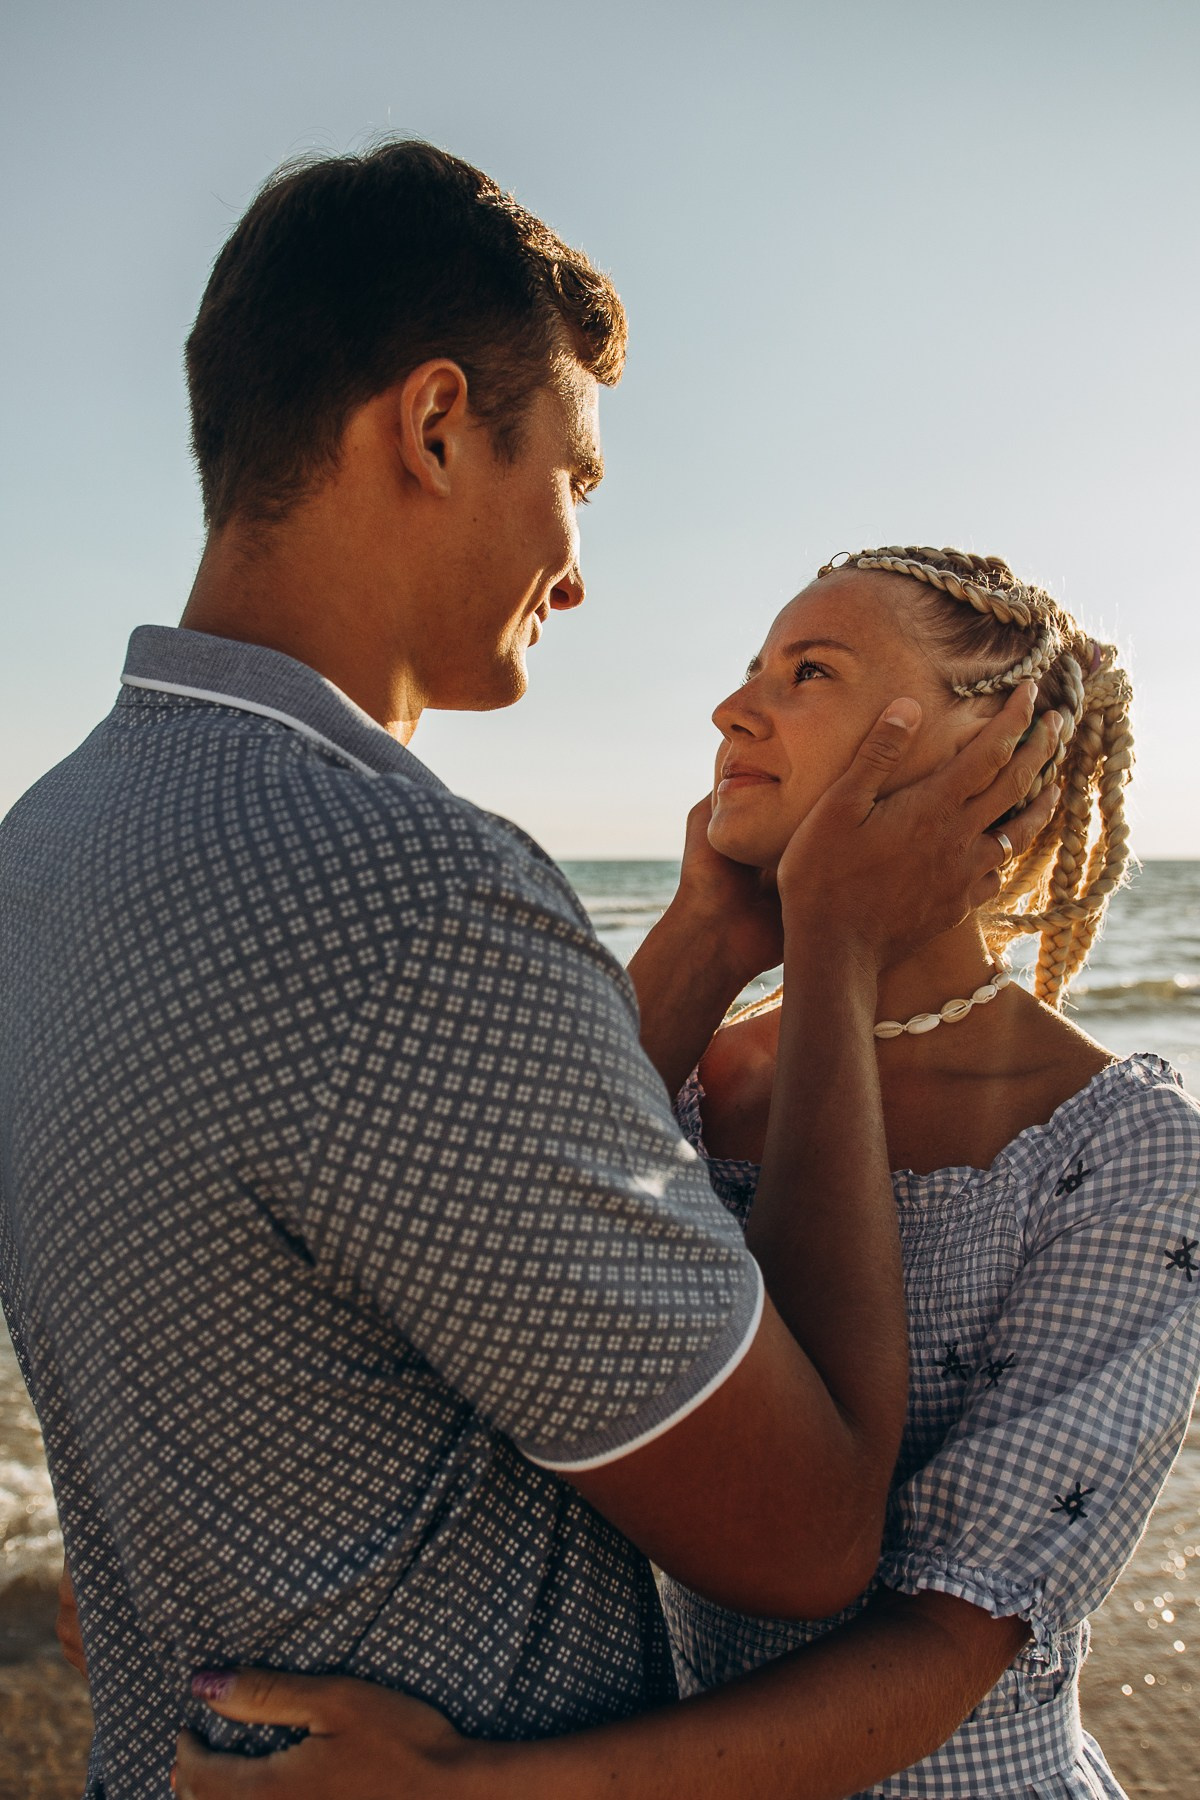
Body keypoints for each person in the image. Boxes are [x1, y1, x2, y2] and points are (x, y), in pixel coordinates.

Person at [0, 139, 1053, 1798]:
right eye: (577, 476)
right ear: (433, 428)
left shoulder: (48, 844)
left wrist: (712, 934)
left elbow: (428, 1199)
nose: (577, 571)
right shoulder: (410, 890)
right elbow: (807, 1534)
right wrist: (836, 955)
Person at [173, 547, 1200, 1799]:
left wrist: (472, 1790)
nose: (733, 707)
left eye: (808, 671)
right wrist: (710, 931)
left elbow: (943, 1649)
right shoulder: (702, 1077)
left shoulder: (1126, 1153)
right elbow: (501, 1210)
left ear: (1001, 757)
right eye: (749, 668)